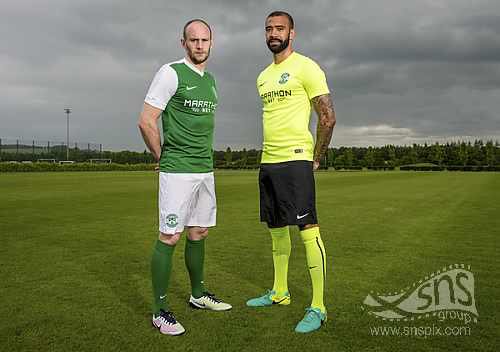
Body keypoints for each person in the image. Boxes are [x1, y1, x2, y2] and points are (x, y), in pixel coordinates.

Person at [138, 18, 231, 336]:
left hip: (204, 169)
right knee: (170, 236)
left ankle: (198, 294)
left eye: (205, 40)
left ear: (211, 43)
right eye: (193, 40)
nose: (200, 45)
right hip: (177, 170)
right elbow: (147, 120)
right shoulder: (171, 73)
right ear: (183, 43)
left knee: (199, 232)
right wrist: (160, 157)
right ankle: (160, 310)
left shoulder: (212, 81)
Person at [246, 11, 336, 334]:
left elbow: (327, 117)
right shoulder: (262, 77)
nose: (273, 33)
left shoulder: (306, 67)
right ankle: (280, 292)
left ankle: (319, 307)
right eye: (268, 28)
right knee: (275, 229)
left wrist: (316, 158)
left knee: (308, 230)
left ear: (292, 33)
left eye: (279, 28)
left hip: (297, 161)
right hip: (268, 162)